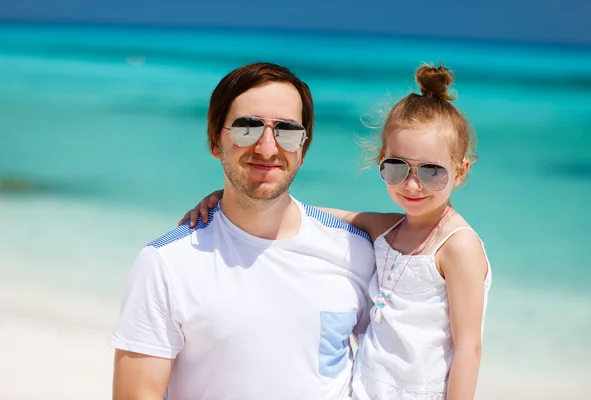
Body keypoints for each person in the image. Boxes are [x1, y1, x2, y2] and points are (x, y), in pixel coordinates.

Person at [181, 63, 492, 400]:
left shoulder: (458, 246)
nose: (412, 184)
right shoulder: (387, 228)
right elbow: (301, 213)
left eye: (432, 173)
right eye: (397, 168)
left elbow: (468, 350)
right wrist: (225, 200)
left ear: (460, 171)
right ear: (381, 161)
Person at [107, 62, 376, 400]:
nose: (267, 148)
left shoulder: (355, 251)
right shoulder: (166, 264)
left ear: (303, 149)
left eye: (287, 131)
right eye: (246, 128)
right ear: (215, 141)